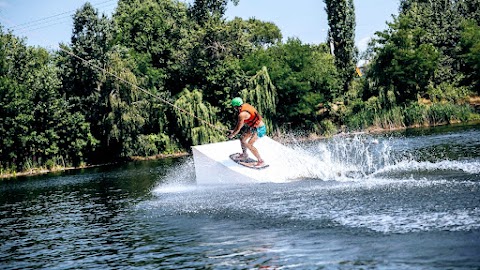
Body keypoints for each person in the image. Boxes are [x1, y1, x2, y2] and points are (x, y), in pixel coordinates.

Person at [227, 97, 267, 167]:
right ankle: (244, 155)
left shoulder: (241, 115)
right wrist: (233, 131)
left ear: (236, 106)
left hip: (260, 129)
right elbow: (238, 125)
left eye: (234, 107)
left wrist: (232, 135)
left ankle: (260, 161)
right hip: (253, 127)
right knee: (242, 139)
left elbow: (238, 128)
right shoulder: (245, 106)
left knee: (249, 144)